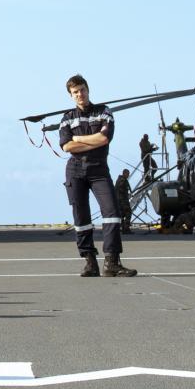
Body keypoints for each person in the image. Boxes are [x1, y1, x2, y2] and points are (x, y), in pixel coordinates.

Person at [59, 75, 134, 277]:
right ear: (71, 95)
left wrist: (78, 139)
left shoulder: (104, 112)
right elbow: (67, 146)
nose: (80, 94)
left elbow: (103, 138)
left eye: (82, 90)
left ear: (88, 90)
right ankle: (90, 261)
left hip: (99, 169)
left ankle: (112, 262)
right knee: (81, 218)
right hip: (75, 171)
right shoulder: (67, 118)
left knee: (112, 213)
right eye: (75, 92)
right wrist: (88, 141)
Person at [114, 168, 134, 234]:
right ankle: (126, 228)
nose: (128, 175)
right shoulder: (122, 180)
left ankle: (123, 228)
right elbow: (120, 188)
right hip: (123, 200)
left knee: (122, 214)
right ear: (124, 173)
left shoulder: (119, 179)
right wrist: (126, 194)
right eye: (127, 174)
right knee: (128, 213)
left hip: (119, 200)